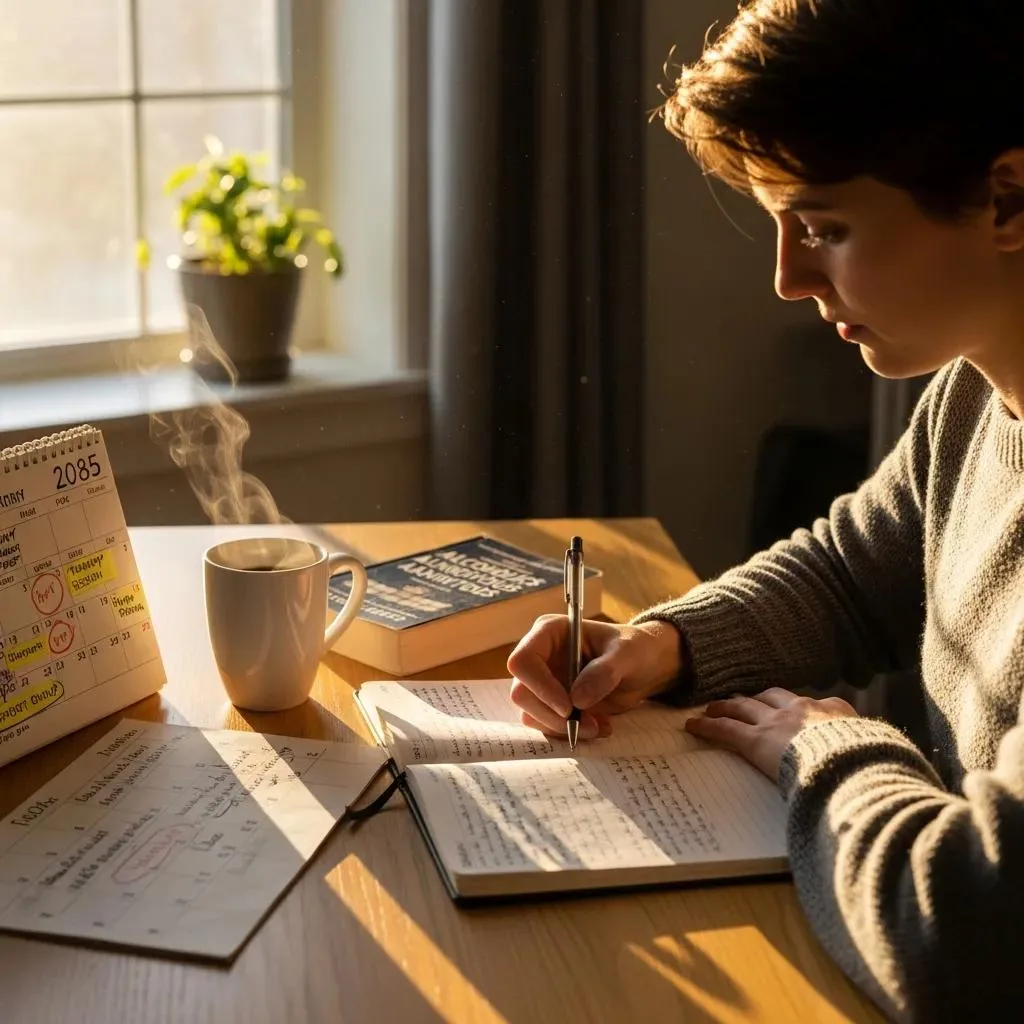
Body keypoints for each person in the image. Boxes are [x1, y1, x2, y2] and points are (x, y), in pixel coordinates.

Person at [506, 2, 1024, 1020]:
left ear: (1007, 200)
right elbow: (849, 573)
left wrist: (827, 748)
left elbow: (971, 925)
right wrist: (664, 644)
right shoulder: (972, 392)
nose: (787, 278)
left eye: (823, 227)